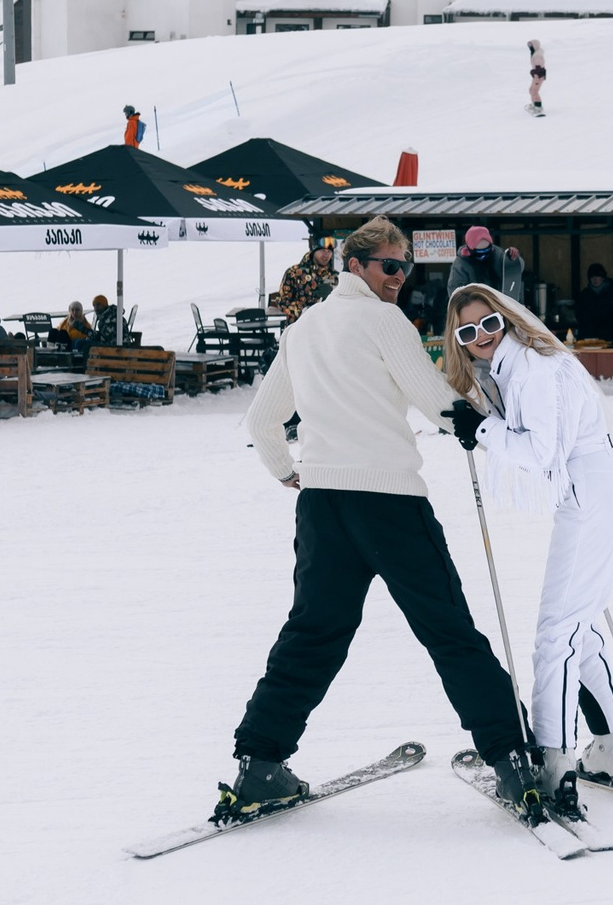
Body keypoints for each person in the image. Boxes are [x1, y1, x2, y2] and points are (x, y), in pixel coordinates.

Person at [228, 216, 540, 823]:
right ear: (356, 266)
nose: (400, 278)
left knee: (312, 635)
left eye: (406, 268)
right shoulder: (382, 320)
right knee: (448, 630)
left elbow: (264, 421)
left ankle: (260, 764)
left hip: (322, 507)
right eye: (390, 267)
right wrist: (484, 426)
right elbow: (433, 396)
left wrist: (287, 472)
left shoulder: (304, 327)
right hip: (389, 503)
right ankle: (510, 758)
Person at [442, 282, 613, 818]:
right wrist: (484, 419)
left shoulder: (533, 370)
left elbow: (540, 454)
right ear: (460, 342)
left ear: (506, 318)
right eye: (469, 333)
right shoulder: (522, 365)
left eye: (489, 324)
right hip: (596, 493)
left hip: (588, 496)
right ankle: (611, 748)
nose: (483, 337)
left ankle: (554, 763)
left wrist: (483, 428)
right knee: (580, 628)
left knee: (555, 634)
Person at [446, 226, 525, 304]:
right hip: (475, 305)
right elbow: (454, 290)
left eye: (487, 251)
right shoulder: (461, 264)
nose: (483, 256)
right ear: (470, 250)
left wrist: (513, 258)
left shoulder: (498, 255)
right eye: (479, 252)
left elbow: (516, 270)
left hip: (498, 302)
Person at [272, 242, 339, 325]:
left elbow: (341, 304)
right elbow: (282, 301)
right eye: (322, 250)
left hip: (326, 328)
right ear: (314, 251)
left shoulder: (334, 275)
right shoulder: (294, 272)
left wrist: (332, 293)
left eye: (329, 251)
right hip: (298, 327)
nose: (326, 254)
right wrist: (305, 311)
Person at [572, 263, 613, 344]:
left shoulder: (611, 293)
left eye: (598, 276)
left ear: (603, 278)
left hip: (607, 337)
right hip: (587, 336)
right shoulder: (585, 294)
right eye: (592, 277)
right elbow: (579, 313)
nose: (595, 279)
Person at [526, 39, 547, 117]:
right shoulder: (536, 53)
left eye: (531, 46)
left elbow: (538, 68)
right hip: (537, 75)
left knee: (534, 91)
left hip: (538, 75)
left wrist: (537, 78)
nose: (530, 48)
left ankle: (538, 108)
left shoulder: (537, 55)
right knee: (531, 90)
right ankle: (534, 104)